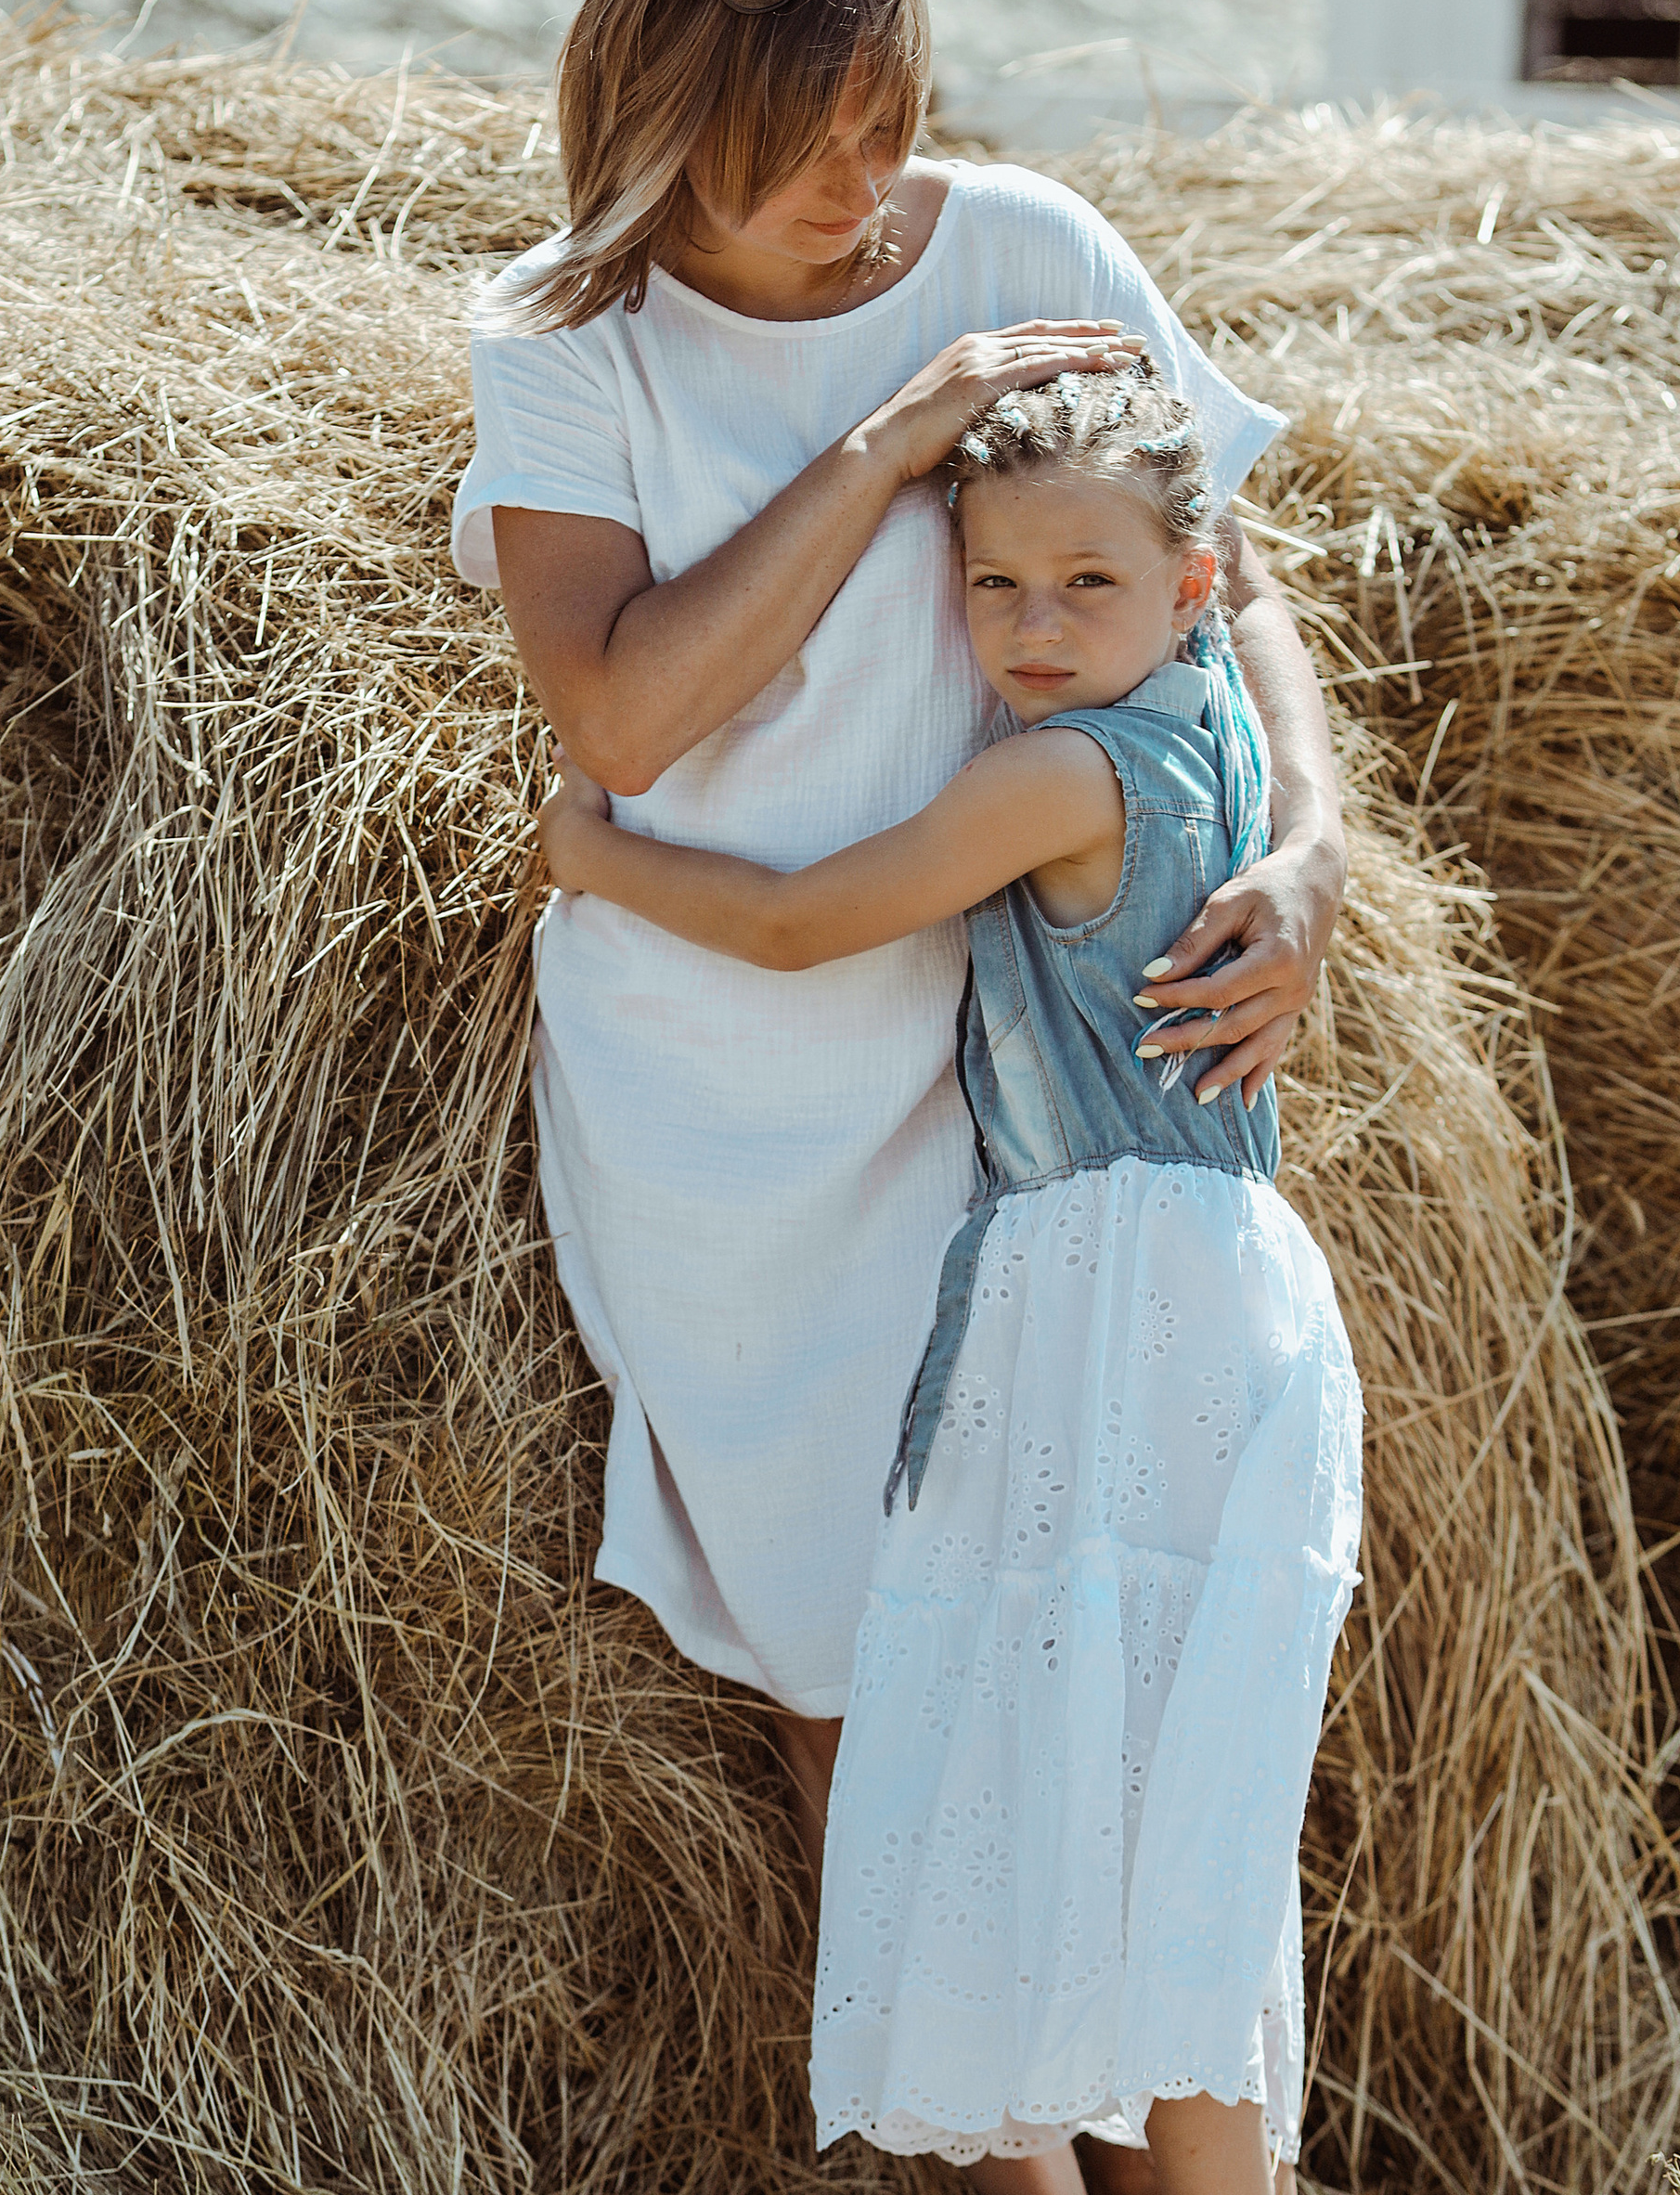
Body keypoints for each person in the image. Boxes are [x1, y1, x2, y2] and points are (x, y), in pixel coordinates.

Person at [450, 0, 1349, 2189]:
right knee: (887, 1728)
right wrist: (891, 429)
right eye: (805, 150)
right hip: (735, 1098)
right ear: (661, 131)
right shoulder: (569, 352)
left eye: (892, 120)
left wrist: (1314, 843)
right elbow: (623, 724)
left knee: (1113, 1714)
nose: (871, 188)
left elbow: (1223, 567)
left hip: (1025, 1076)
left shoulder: (1032, 241)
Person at [536, 367, 1363, 2193]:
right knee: (1169, 1860)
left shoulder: (1062, 771)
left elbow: (795, 919)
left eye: (1083, 583)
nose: (1033, 625)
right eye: (993, 586)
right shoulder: (1211, 726)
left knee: (1005, 1797)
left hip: (1114, 1310)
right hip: (1225, 1296)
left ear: (1189, 585)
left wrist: (597, 850)